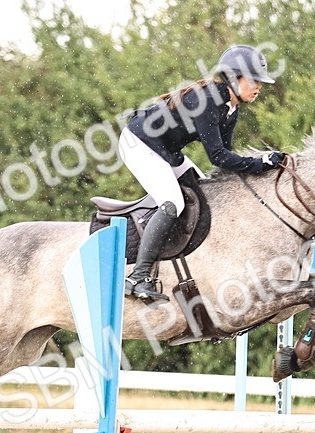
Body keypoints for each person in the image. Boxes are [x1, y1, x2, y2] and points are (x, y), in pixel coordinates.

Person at [119, 44, 285, 303]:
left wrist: (260, 167)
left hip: (166, 150)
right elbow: (217, 157)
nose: (259, 87)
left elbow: (226, 159)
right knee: (172, 202)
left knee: (204, 194)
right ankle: (138, 277)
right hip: (139, 143)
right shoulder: (208, 100)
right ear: (234, 78)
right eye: (254, 80)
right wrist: (260, 163)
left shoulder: (230, 108)